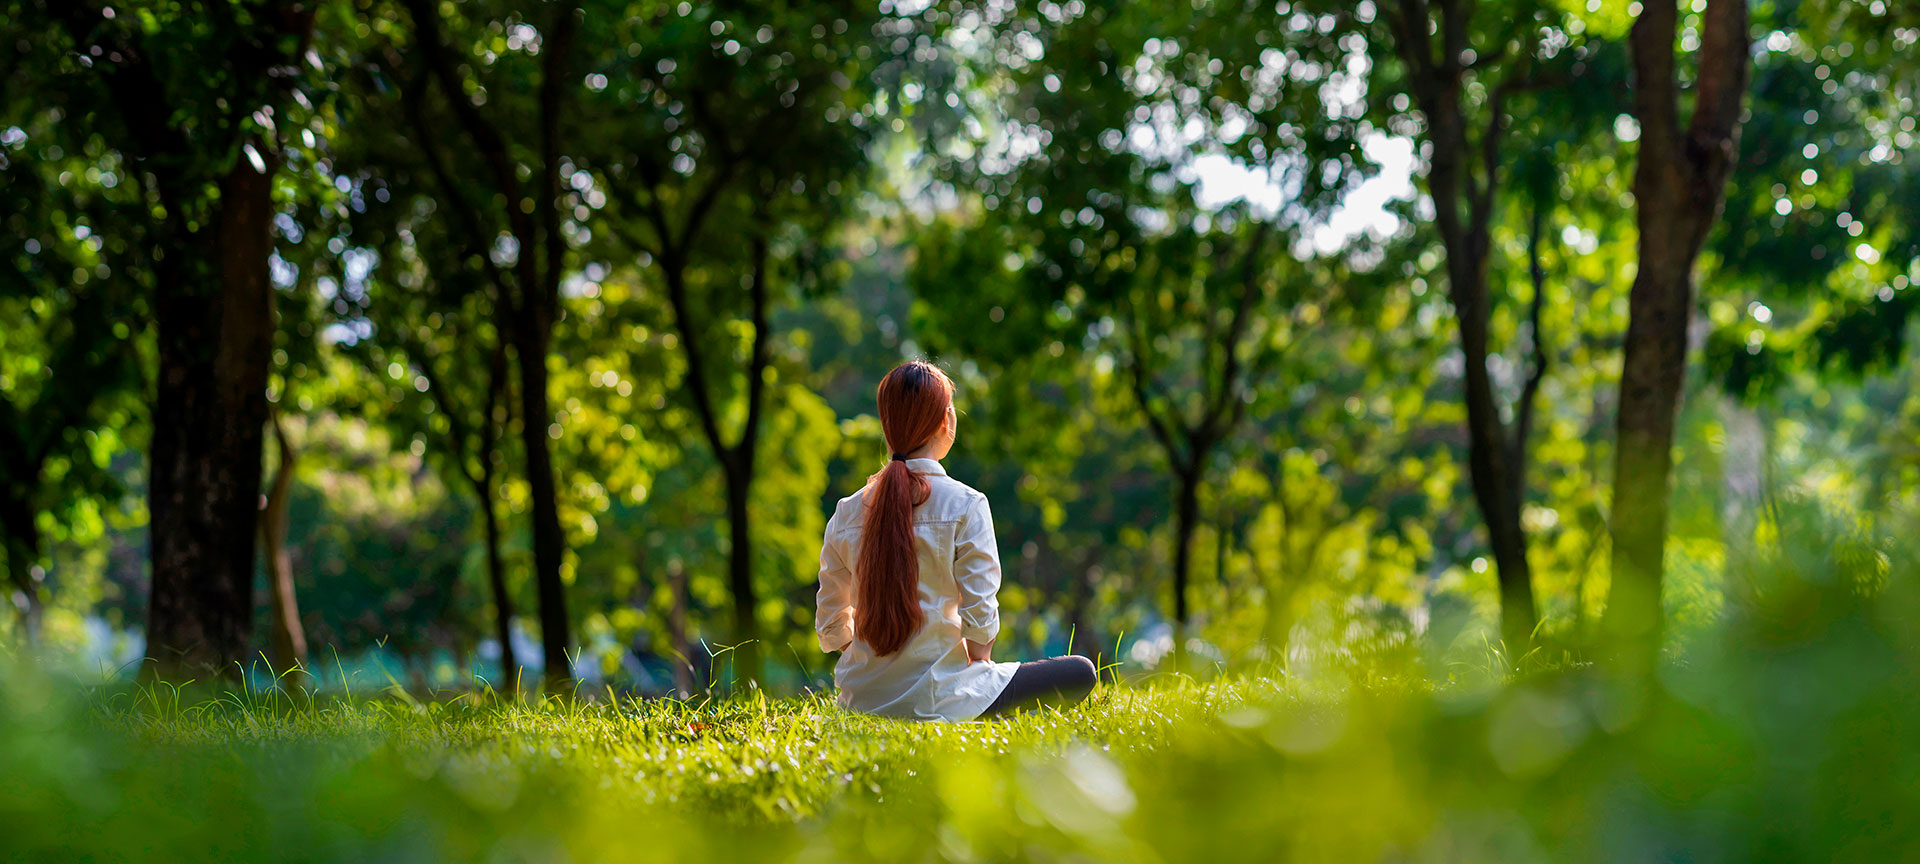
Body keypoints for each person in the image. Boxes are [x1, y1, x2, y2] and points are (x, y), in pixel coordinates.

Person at [815, 360, 1098, 721]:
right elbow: (980, 622)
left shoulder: (846, 511)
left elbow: (830, 625)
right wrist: (978, 662)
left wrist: (877, 670)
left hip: (862, 702)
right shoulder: (966, 504)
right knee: (1080, 671)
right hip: (947, 698)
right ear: (946, 421)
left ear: (887, 427)